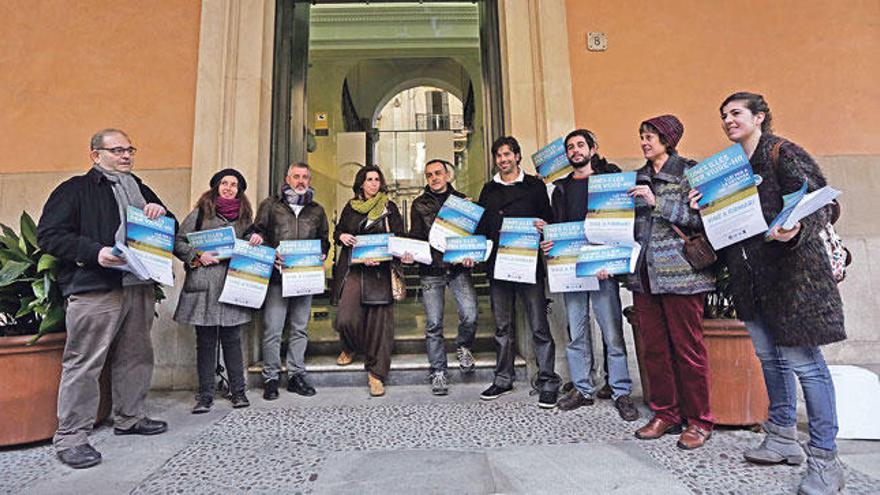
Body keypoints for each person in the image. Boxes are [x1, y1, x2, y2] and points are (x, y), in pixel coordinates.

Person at [695, 92, 847, 494]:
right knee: (769, 359)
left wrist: (796, 229)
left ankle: (825, 461)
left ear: (759, 117)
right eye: (723, 115)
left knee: (806, 365)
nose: (729, 120)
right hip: (752, 284)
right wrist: (703, 206)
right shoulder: (728, 170)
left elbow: (820, 203)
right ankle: (781, 436)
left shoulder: (782, 153)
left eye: (737, 113)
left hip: (794, 283)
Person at [37, 129, 173, 469]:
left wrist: (159, 212)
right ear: (95, 155)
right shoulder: (75, 190)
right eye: (116, 150)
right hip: (96, 287)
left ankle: (129, 416)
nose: (125, 156)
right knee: (84, 361)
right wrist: (94, 252)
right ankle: (71, 436)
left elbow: (168, 228)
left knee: (136, 355)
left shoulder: (139, 189)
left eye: (129, 149)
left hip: (137, 285)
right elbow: (50, 235)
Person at [626, 115, 716, 450]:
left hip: (683, 276)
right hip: (644, 275)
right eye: (642, 136)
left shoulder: (690, 172)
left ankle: (699, 420)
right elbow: (631, 226)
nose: (644, 142)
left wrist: (657, 202)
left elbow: (704, 217)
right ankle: (666, 413)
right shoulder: (637, 177)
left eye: (650, 136)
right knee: (654, 350)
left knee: (688, 351)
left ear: (668, 139)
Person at [539, 129, 638, 420]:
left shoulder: (610, 180)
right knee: (576, 332)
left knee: (612, 332)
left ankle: (620, 391)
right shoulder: (560, 188)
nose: (575, 151)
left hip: (603, 267)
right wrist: (548, 239)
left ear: (593, 148)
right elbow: (557, 225)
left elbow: (623, 222)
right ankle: (583, 389)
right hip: (571, 267)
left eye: (580, 145)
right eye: (570, 147)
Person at [474, 136, 561, 408]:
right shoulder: (488, 190)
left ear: (518, 156)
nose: (503, 160)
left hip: (528, 265)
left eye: (507, 154)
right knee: (502, 327)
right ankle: (503, 378)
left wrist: (543, 226)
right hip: (499, 268)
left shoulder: (535, 186)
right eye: (498, 155)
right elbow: (481, 229)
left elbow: (550, 220)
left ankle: (547, 381)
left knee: (539, 325)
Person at [173, 168, 255, 413]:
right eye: (225, 183)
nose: (229, 188)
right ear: (216, 186)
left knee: (233, 340)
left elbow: (251, 241)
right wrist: (197, 255)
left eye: (234, 185)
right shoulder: (200, 213)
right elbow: (178, 241)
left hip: (231, 286)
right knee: (206, 342)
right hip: (204, 285)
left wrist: (254, 240)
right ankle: (205, 394)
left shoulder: (244, 217)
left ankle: (238, 391)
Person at [246, 162, 330, 400]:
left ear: (310, 181)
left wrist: (322, 253)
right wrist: (266, 247)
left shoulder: (317, 210)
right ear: (287, 178)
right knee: (273, 328)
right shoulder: (271, 206)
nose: (301, 181)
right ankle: (271, 377)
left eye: (305, 177)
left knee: (300, 329)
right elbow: (258, 231)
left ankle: (295, 375)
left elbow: (324, 239)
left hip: (304, 276)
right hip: (277, 277)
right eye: (296, 176)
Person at [404, 159, 479, 395]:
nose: (434, 178)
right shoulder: (418, 204)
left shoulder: (463, 201)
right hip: (430, 270)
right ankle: (438, 372)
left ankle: (464, 345)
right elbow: (416, 236)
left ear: (448, 176)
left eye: (438, 173)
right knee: (434, 323)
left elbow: (471, 236)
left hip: (458, 268)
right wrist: (410, 255)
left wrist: (470, 255)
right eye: (429, 175)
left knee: (470, 314)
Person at [332, 165, 404, 397]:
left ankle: (376, 374)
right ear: (361, 183)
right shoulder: (351, 207)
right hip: (354, 269)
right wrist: (341, 236)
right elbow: (339, 232)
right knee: (346, 318)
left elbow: (399, 236)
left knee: (379, 325)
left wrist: (384, 255)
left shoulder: (389, 207)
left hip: (380, 271)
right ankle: (351, 346)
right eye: (368, 179)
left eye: (376, 179)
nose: (373, 183)